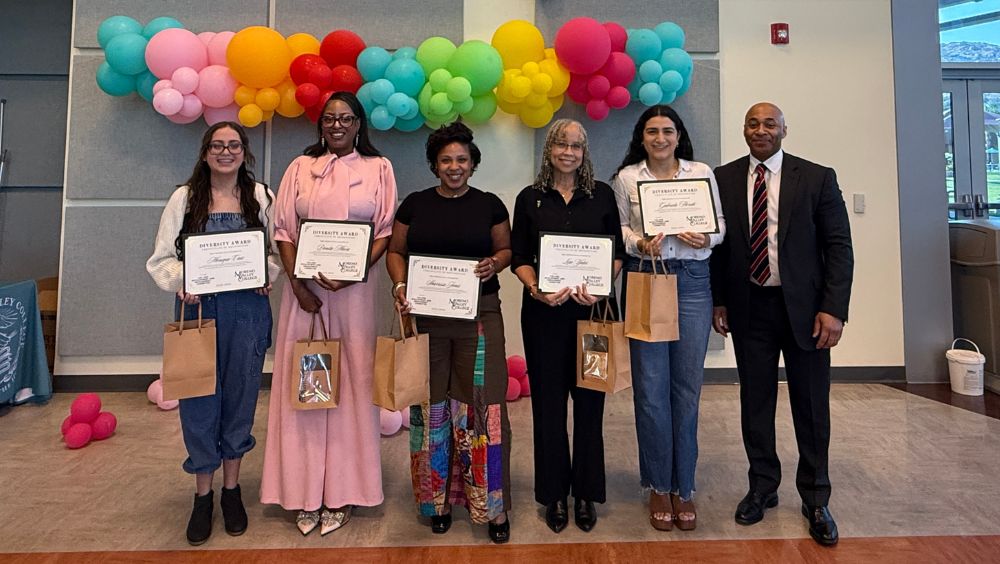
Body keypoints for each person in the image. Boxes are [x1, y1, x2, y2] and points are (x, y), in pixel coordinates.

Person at [710, 102, 853, 546]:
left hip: (807, 312)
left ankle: (815, 497)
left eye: (769, 123)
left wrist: (834, 308)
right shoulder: (723, 178)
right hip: (749, 307)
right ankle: (762, 487)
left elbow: (839, 246)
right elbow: (718, 248)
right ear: (744, 130)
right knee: (755, 403)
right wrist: (719, 301)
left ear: (784, 130)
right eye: (753, 123)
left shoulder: (816, 177)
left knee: (811, 407)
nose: (761, 130)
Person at [259, 92, 398, 536]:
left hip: (354, 296)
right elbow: (283, 229)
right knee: (305, 383)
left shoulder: (379, 169)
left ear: (359, 124)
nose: (337, 124)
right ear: (321, 124)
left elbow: (385, 231)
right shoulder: (300, 168)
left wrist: (354, 273)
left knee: (352, 385)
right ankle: (301, 491)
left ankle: (342, 492)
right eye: (329, 118)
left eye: (346, 118)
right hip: (304, 297)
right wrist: (298, 286)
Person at [147, 121, 280, 545]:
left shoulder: (261, 196)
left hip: (248, 310)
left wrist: (266, 274)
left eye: (234, 145)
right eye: (218, 145)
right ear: (205, 152)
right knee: (199, 402)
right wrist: (182, 281)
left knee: (241, 398)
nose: (226, 152)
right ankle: (202, 496)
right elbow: (161, 259)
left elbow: (276, 251)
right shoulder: (183, 199)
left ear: (245, 152)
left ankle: (231, 491)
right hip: (199, 310)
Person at [386, 121, 513, 544]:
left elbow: (505, 250)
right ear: (434, 165)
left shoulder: (491, 205)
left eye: (461, 160)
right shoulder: (415, 204)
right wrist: (401, 286)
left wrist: (494, 264)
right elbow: (396, 252)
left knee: (483, 408)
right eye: (446, 160)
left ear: (472, 164)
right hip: (428, 319)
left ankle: (490, 506)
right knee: (431, 408)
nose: (454, 166)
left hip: (480, 316)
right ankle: (436, 502)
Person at [612, 105, 726, 532]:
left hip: (694, 282)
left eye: (668, 131)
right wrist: (641, 243)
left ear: (679, 136)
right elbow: (620, 229)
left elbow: (720, 225)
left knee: (687, 389)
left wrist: (708, 236)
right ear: (641, 138)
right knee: (650, 390)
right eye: (652, 132)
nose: (660, 138)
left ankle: (685, 487)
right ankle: (659, 483)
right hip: (647, 278)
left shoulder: (701, 173)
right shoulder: (627, 178)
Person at [510, 119, 624, 533]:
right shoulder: (529, 198)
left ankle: (587, 494)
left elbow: (617, 252)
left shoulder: (603, 196)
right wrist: (536, 288)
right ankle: (555, 494)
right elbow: (518, 255)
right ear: (549, 150)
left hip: (592, 316)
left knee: (591, 405)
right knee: (549, 407)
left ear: (585, 151)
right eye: (561, 144)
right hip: (543, 316)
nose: (568, 152)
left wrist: (601, 286)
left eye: (576, 145)